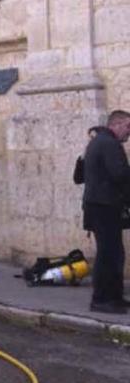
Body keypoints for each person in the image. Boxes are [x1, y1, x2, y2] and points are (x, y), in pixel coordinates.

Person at [82, 110, 130, 314]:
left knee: (114, 253)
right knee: (108, 254)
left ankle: (114, 297)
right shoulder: (108, 143)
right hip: (103, 207)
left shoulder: (99, 141)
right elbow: (119, 174)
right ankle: (101, 299)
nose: (129, 133)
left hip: (102, 206)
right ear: (116, 124)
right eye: (128, 127)